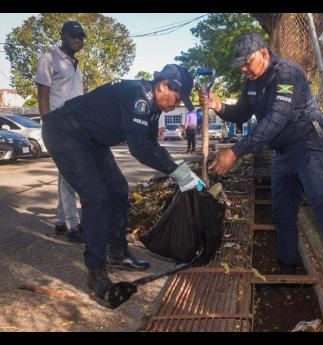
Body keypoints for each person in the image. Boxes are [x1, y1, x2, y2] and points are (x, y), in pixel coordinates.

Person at [199, 33, 323, 315]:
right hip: (283, 152)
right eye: (241, 65)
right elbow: (239, 113)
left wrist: (235, 152)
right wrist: (217, 106)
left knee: (322, 203)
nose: (244, 70)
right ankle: (287, 270)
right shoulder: (251, 83)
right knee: (282, 211)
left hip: (311, 144)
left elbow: (275, 120)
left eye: (247, 63)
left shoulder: (287, 73)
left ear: (263, 53)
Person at [42, 64, 203, 306]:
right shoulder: (139, 95)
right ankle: (96, 271)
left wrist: (181, 171)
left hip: (92, 141)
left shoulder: (153, 108)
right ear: (163, 86)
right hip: (64, 133)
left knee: (118, 191)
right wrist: (177, 173)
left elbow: (152, 145)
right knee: (96, 198)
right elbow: (139, 149)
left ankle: (117, 252)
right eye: (177, 98)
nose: (177, 104)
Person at [35, 21, 87, 243]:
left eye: (81, 37)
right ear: (62, 35)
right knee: (71, 175)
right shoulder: (49, 59)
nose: (77, 40)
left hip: (76, 126)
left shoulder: (75, 64)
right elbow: (43, 95)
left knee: (65, 174)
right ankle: (73, 225)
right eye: (73, 36)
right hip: (59, 125)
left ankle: (60, 221)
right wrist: (48, 123)